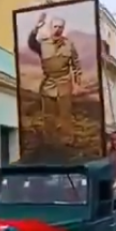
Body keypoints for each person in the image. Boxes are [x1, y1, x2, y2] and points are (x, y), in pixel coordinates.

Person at [27, 12, 82, 142]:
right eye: (55, 26)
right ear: (51, 28)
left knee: (65, 114)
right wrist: (36, 27)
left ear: (63, 29)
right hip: (48, 82)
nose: (57, 29)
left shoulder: (69, 45)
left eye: (60, 27)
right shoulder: (43, 44)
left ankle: (67, 139)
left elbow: (76, 64)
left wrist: (77, 83)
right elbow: (31, 43)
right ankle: (49, 140)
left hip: (64, 83)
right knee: (48, 115)